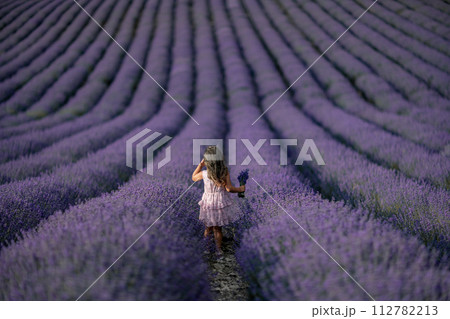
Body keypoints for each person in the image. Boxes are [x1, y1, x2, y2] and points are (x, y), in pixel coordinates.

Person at [192, 146, 245, 255]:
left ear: (207, 161)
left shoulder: (205, 173)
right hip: (219, 202)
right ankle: (218, 250)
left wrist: (200, 165)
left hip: (208, 202)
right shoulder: (224, 172)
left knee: (207, 228)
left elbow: (193, 177)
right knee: (217, 229)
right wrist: (240, 189)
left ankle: (206, 249)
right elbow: (229, 189)